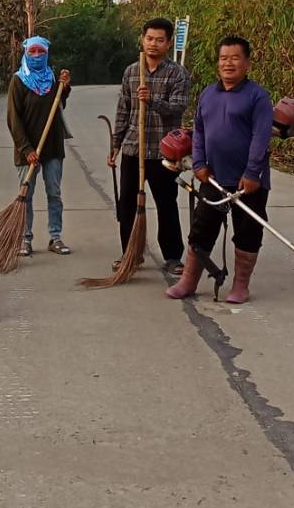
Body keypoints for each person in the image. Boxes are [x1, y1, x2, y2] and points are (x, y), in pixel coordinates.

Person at [167, 36, 274, 304]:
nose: (228, 63)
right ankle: (188, 281)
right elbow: (199, 132)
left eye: (235, 58)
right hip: (213, 178)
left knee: (248, 232)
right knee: (201, 229)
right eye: (224, 58)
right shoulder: (208, 94)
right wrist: (199, 164)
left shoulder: (258, 96)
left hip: (248, 182)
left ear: (247, 63)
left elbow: (261, 138)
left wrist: (252, 173)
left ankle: (240, 285)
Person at [109, 17, 191, 276]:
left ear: (168, 43)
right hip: (134, 148)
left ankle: (173, 256)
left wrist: (152, 100)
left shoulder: (177, 73)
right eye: (149, 39)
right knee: (127, 204)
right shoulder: (132, 72)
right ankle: (130, 254)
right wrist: (116, 144)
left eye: (159, 40)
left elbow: (178, 107)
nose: (153, 44)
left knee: (166, 204)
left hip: (164, 152)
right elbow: (124, 109)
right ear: (142, 40)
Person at [5, 36, 73, 257]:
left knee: (54, 193)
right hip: (28, 150)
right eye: (32, 51)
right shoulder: (18, 81)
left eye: (40, 52)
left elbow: (58, 105)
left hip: (52, 146)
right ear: (25, 53)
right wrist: (27, 149)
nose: (36, 56)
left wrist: (64, 87)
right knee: (26, 195)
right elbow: (13, 119)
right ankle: (25, 238)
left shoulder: (51, 78)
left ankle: (56, 237)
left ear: (47, 53)